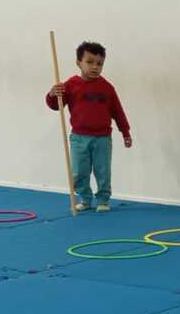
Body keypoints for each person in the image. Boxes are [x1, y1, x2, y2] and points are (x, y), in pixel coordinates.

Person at [45, 41, 131, 213]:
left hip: (102, 139)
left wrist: (125, 132)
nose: (95, 67)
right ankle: (85, 198)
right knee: (78, 172)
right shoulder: (70, 85)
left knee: (103, 171)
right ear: (78, 62)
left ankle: (103, 200)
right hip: (78, 138)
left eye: (99, 63)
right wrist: (52, 94)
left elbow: (118, 111)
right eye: (90, 62)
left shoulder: (107, 88)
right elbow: (56, 105)